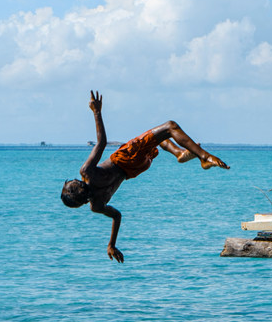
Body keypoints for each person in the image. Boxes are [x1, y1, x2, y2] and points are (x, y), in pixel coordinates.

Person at [61, 91, 229, 262]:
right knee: (170, 126)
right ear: (77, 184)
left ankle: (179, 153)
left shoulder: (96, 205)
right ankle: (204, 158)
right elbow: (102, 142)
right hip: (125, 158)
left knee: (158, 139)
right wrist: (97, 112)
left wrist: (111, 244)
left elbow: (117, 216)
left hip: (136, 169)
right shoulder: (87, 172)